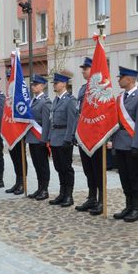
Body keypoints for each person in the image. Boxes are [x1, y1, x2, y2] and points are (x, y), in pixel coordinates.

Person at [111, 66, 138, 222]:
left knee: (134, 177)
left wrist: (137, 145)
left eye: (121, 77)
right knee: (124, 177)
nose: (119, 80)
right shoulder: (119, 98)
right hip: (119, 143)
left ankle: (136, 208)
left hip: (132, 144)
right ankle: (128, 206)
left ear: (130, 79)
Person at [74, 57, 105, 215]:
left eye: (86, 68)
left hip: (96, 135)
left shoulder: (101, 88)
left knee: (97, 169)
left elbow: (104, 114)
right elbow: (79, 113)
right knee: (88, 169)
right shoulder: (81, 89)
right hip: (84, 134)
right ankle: (92, 197)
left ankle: (101, 200)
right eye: (83, 68)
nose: (83, 71)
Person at [48, 73, 77, 207]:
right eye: (54, 83)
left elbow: (72, 121)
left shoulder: (70, 100)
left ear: (64, 84)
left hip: (64, 137)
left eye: (57, 82)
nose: (54, 84)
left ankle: (69, 195)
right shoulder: (56, 100)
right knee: (58, 167)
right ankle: (62, 193)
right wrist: (49, 138)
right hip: (55, 137)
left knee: (66, 168)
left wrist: (68, 139)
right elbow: (51, 120)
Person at [26, 74, 52, 200]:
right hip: (32, 137)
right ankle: (39, 187)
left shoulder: (45, 102)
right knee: (36, 164)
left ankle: (45, 189)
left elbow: (47, 122)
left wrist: (44, 139)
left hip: (40, 137)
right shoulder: (33, 101)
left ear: (42, 86)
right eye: (32, 85)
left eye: (36, 85)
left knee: (42, 165)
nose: (33, 87)